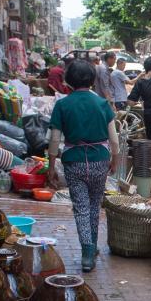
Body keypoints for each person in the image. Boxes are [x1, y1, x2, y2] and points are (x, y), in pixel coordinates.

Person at [46, 59, 119, 272]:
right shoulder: (102, 104)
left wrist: (51, 166)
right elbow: (114, 139)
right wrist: (115, 159)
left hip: (74, 161)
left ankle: (87, 251)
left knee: (81, 208)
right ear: (92, 79)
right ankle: (92, 247)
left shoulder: (62, 104)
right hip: (100, 160)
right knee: (95, 205)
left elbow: (54, 139)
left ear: (68, 80)